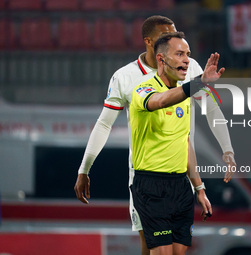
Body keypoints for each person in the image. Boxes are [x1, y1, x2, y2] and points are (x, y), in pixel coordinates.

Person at [74, 15, 236, 255]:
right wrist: (84, 168)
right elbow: (104, 124)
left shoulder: (190, 67)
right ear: (150, 43)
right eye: (165, 36)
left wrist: (227, 150)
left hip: (181, 173)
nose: (173, 40)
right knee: (152, 248)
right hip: (146, 175)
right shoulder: (128, 78)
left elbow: (209, 111)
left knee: (177, 251)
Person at [129, 31, 225, 255]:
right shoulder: (143, 90)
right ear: (161, 59)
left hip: (181, 187)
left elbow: (184, 142)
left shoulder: (184, 98)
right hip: (152, 185)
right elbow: (160, 101)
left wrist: (199, 188)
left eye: (188, 54)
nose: (187, 60)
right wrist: (198, 83)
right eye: (180, 54)